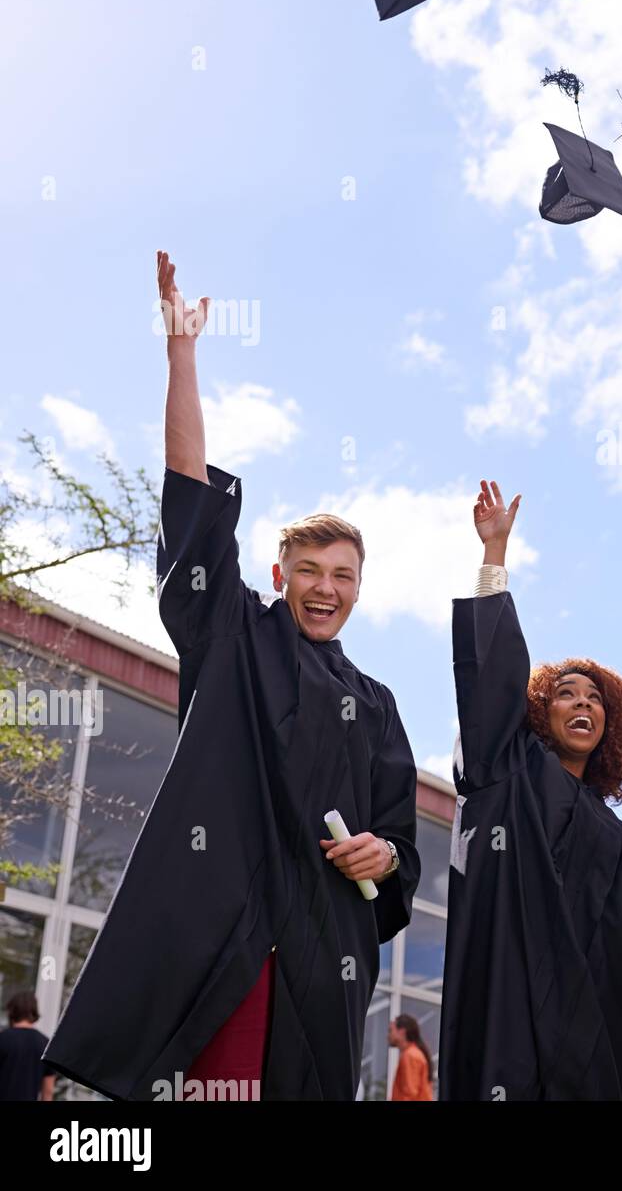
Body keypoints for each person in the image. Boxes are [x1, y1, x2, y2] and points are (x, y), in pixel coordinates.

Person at [44, 251, 419, 1101]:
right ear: (280, 573)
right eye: (310, 569)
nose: (326, 587)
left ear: (361, 588)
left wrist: (385, 853)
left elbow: (399, 845)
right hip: (228, 933)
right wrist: (182, 355)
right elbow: (189, 498)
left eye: (344, 575)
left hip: (322, 958)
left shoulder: (380, 707)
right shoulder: (239, 637)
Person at [439, 480, 622, 1100]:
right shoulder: (506, 772)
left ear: (611, 727)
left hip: (587, 1064)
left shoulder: (620, 844)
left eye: (595, 700)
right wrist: (494, 557)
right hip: (501, 1029)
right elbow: (489, 682)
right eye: (566, 694)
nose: (582, 703)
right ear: (537, 711)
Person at [0, 992, 54, 1101]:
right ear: (34, 1011)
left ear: (12, 1011)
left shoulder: (2, 1039)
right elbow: (48, 1093)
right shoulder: (46, 1045)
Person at [388, 1015, 434, 1101]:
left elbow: (409, 1094)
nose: (388, 1035)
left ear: (402, 1031)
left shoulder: (410, 1056)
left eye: (390, 1030)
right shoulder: (413, 1054)